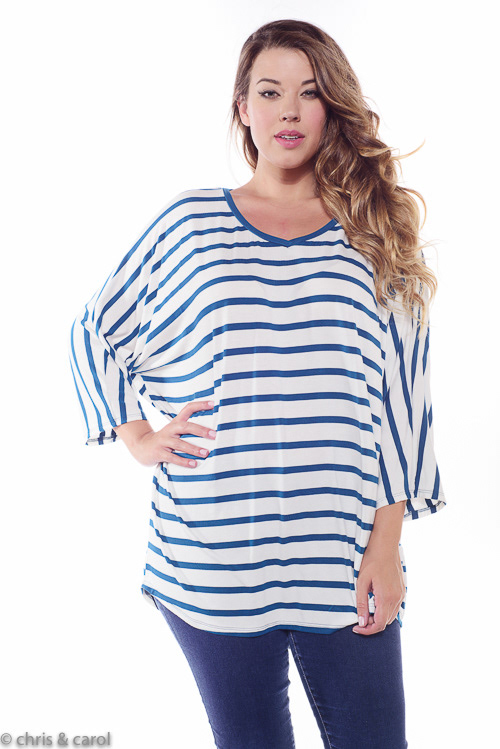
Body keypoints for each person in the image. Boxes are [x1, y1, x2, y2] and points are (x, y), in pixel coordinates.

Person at [68, 18, 447, 749]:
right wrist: (138, 436)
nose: (289, 111)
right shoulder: (190, 222)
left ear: (332, 107)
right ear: (242, 107)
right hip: (214, 554)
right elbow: (94, 329)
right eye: (270, 92)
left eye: (310, 93)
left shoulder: (374, 230)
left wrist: (387, 545)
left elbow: (404, 395)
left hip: (342, 552)